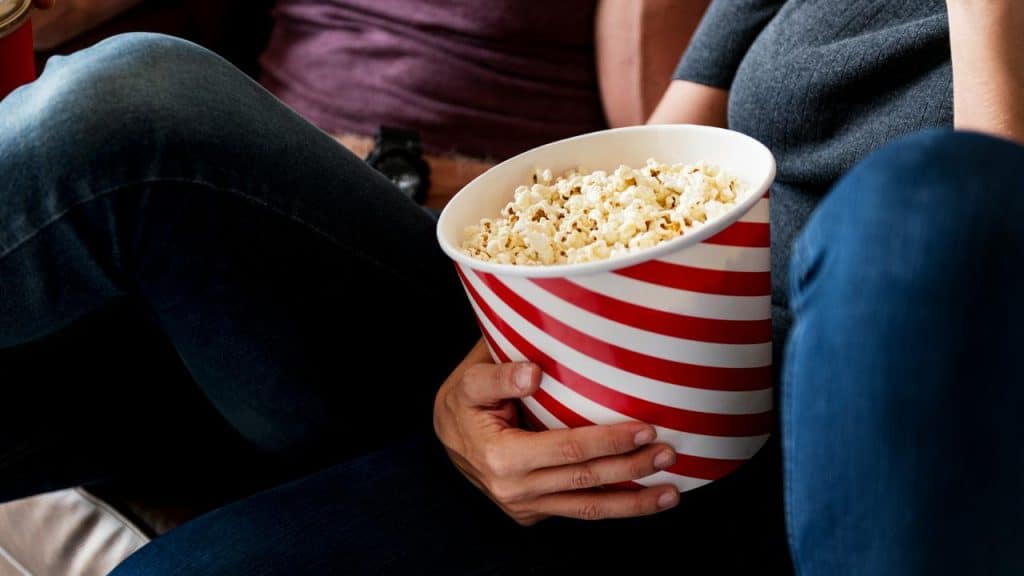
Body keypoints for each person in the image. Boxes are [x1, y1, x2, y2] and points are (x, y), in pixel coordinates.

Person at [1, 1, 1022, 575]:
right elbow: (647, 175)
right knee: (126, 100)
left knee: (918, 206)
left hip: (868, 462)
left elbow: (971, 258)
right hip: (635, 415)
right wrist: (489, 376)